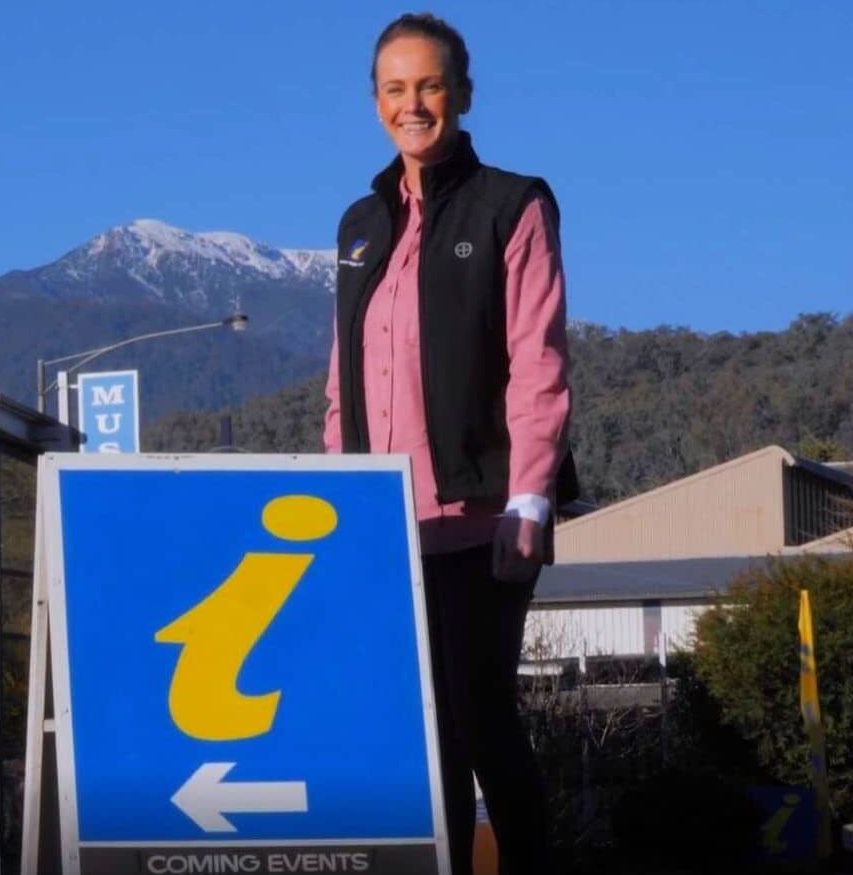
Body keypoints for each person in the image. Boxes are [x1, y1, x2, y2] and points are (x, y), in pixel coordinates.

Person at [322, 12, 578, 875]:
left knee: (479, 713)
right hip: (387, 528)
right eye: (394, 89)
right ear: (375, 102)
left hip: (483, 518)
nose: (412, 104)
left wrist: (528, 500)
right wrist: (339, 511)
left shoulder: (514, 203)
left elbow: (537, 362)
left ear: (461, 94)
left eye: (428, 85)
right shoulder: (359, 223)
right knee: (417, 728)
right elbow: (341, 382)